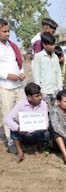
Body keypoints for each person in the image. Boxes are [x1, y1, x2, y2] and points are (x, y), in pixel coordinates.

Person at [5, 83, 49, 163]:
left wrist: (38, 127)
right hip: (23, 134)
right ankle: (20, 152)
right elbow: (7, 119)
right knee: (13, 129)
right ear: (29, 97)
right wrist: (18, 128)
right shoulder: (21, 104)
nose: (40, 98)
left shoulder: (43, 104)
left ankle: (36, 147)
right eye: (36, 96)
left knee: (46, 133)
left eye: (40, 95)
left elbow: (46, 123)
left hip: (37, 133)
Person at [0, 19, 26, 151]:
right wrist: (7, 76)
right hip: (6, 87)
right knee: (8, 114)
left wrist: (21, 73)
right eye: (4, 31)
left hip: (18, 86)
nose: (7, 34)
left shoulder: (13, 46)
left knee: (21, 112)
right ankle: (11, 142)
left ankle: (22, 138)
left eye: (8, 31)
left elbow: (19, 63)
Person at [33, 32, 63, 108]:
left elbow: (59, 74)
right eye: (51, 45)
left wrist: (60, 89)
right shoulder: (38, 57)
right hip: (44, 92)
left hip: (55, 91)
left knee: (56, 114)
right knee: (46, 114)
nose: (53, 46)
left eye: (54, 44)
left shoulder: (55, 57)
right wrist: (40, 92)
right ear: (44, 45)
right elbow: (36, 76)